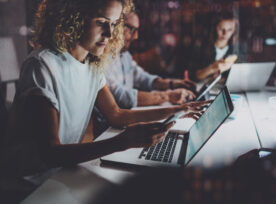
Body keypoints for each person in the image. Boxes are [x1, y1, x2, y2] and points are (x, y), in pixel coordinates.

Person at [1, 0, 208, 182]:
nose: (109, 34)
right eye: (101, 22)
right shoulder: (42, 65)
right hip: (29, 181)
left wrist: (176, 109)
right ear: (74, 18)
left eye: (114, 23)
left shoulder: (92, 64)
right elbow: (51, 153)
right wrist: (123, 142)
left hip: (62, 172)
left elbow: (117, 115)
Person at [106, 11, 197, 109]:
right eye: (131, 29)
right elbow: (121, 97)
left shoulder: (125, 55)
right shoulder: (102, 59)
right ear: (115, 26)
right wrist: (168, 96)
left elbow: (142, 78)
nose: (136, 36)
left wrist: (171, 84)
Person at [187, 11, 247, 81]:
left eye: (230, 30)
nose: (225, 33)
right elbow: (193, 76)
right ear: (215, 27)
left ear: (234, 30)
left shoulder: (239, 47)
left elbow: (242, 75)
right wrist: (212, 68)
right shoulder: (201, 45)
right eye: (221, 29)